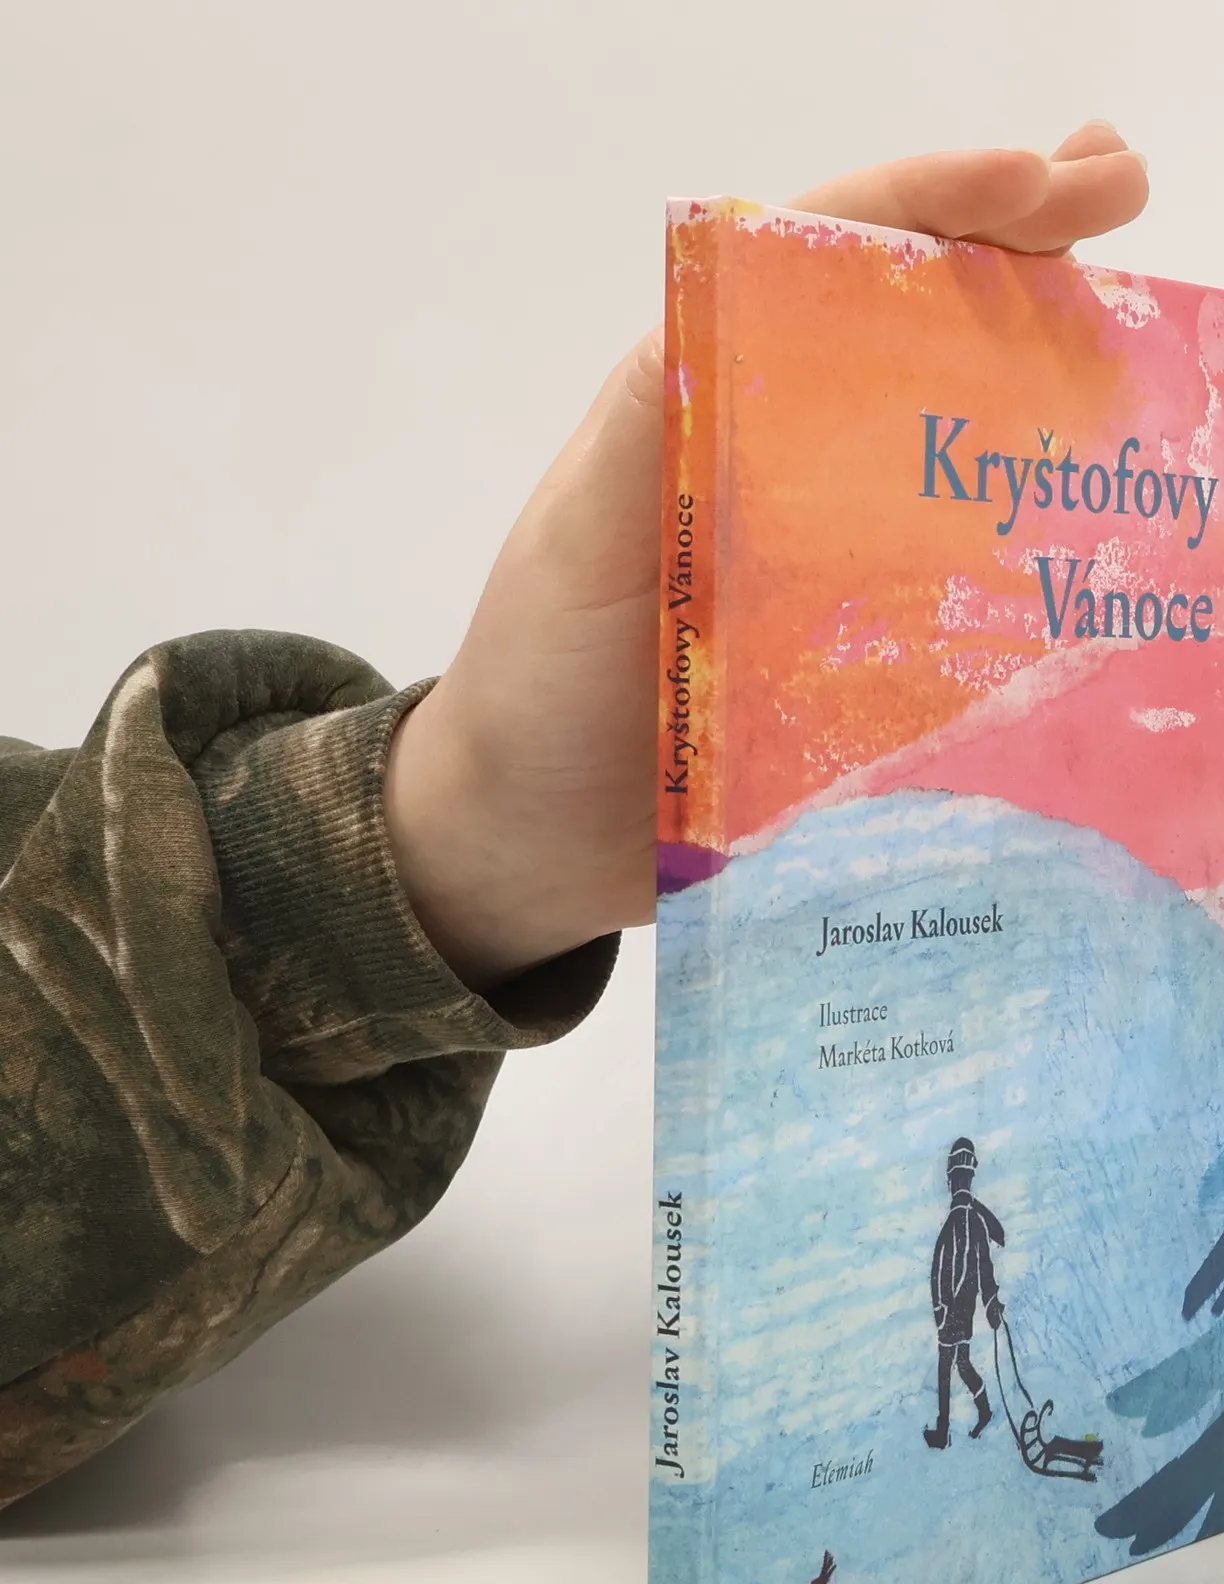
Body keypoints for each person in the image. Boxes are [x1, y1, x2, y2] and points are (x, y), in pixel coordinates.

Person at [0, 127, 1150, 1510]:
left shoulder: (979, 1219)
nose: (963, 1170)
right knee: (954, 1371)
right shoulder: (964, 1225)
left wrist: (444, 841)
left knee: (963, 1365)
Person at [924, 1137, 1008, 1449]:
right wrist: (989, 1302)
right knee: (962, 1363)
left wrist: (941, 1309)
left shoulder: (958, 1220)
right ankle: (984, 1410)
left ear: (953, 1180)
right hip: (966, 1310)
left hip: (952, 1312)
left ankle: (943, 1432)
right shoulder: (975, 1220)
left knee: (946, 1367)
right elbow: (983, 1267)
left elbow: (942, 1271)